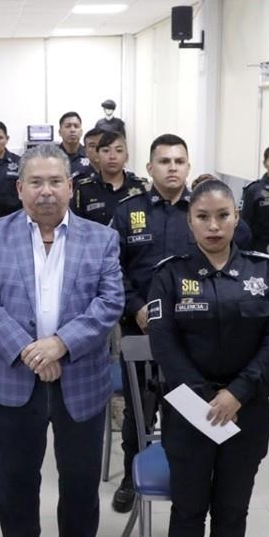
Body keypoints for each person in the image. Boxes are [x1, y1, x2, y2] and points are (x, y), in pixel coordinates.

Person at [0, 145, 123, 537]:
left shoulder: (102, 238)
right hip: (14, 376)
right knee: (17, 471)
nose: (45, 192)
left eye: (55, 182)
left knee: (79, 472)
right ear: (19, 189)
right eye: (35, 182)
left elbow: (109, 303)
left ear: (70, 187)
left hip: (80, 375)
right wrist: (30, 352)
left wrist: (60, 345)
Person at [146, 179, 269, 537]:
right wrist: (205, 396)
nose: (214, 225)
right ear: (189, 221)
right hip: (190, 412)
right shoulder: (169, 274)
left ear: (237, 217)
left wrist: (238, 393)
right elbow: (163, 342)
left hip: (245, 411)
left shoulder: (264, 271)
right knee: (189, 508)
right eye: (203, 217)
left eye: (223, 216)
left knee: (233, 508)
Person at [109, 134, 194, 513]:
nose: (172, 167)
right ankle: (132, 475)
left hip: (192, 336)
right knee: (138, 412)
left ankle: (185, 473)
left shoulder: (203, 210)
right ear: (149, 168)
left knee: (188, 408)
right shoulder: (129, 212)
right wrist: (135, 306)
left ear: (188, 166)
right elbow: (111, 270)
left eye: (179, 161)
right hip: (139, 329)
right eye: (164, 161)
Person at [72, 131, 146, 226]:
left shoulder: (140, 186)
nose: (112, 157)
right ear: (97, 156)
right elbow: (76, 226)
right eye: (106, 151)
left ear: (126, 157)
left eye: (119, 151)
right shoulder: (84, 189)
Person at [57, 112, 90, 180]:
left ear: (81, 132)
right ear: (60, 132)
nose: (72, 130)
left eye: (76, 126)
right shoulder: (52, 156)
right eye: (68, 126)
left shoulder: (89, 155)